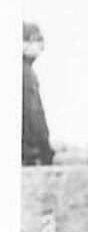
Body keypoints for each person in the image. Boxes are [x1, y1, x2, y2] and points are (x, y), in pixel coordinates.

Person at [22, 22, 54, 166]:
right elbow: (34, 115)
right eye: (37, 39)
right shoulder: (25, 74)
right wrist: (45, 151)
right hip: (29, 155)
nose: (42, 46)